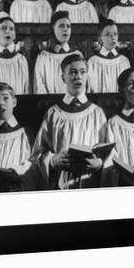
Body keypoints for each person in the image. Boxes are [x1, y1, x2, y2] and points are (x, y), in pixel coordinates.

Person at [32, 54, 108, 190]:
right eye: (73, 72)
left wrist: (99, 163)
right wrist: (53, 160)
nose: (78, 76)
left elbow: (109, 151)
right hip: (61, 181)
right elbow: (37, 153)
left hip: (89, 182)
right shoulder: (53, 113)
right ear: (63, 78)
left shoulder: (97, 113)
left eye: (82, 72)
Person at [34, 11, 84, 94]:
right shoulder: (44, 56)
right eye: (61, 26)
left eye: (68, 26)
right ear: (53, 29)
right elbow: (40, 84)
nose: (65, 29)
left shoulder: (77, 55)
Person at [87, 19, 131, 93]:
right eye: (108, 34)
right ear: (100, 39)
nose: (113, 37)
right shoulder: (93, 61)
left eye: (115, 34)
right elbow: (89, 88)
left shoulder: (124, 61)